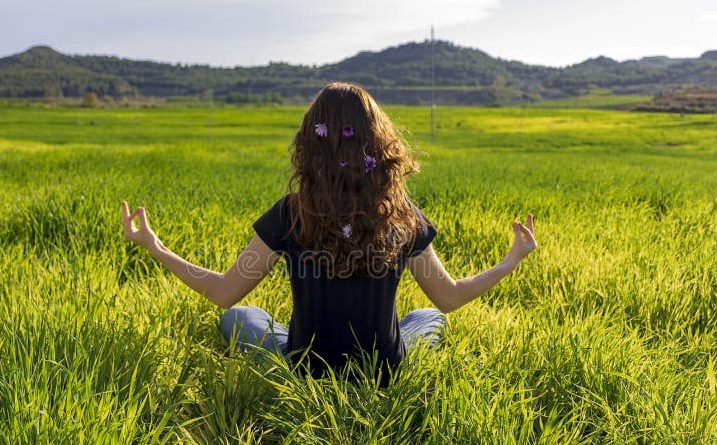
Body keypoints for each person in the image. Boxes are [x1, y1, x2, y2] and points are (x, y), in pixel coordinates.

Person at [121, 82, 536, 385]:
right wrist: (510, 260)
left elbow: (223, 292)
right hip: (384, 371)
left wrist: (155, 246)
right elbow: (450, 298)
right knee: (427, 317)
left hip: (307, 369)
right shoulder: (401, 215)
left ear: (311, 143)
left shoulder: (291, 214)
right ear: (377, 143)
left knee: (236, 317)